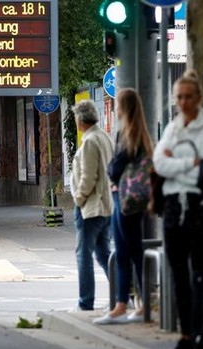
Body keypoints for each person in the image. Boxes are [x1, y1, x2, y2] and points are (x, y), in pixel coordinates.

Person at [153, 70, 203, 349]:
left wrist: (175, 162)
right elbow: (158, 164)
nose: (183, 102)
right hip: (172, 206)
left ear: (199, 98)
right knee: (179, 275)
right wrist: (188, 162)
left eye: (188, 96)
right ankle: (185, 335)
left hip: (197, 205)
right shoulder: (173, 127)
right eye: (179, 97)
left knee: (201, 273)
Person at [94, 88, 154, 325]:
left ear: (123, 107)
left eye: (117, 103)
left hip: (124, 199)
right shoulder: (141, 133)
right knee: (133, 251)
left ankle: (122, 305)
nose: (115, 107)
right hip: (133, 199)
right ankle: (139, 304)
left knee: (123, 251)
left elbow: (114, 168)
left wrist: (112, 175)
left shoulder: (128, 134)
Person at [70, 99, 114, 311]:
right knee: (104, 253)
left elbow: (89, 176)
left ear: (80, 119)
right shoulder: (104, 137)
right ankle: (126, 293)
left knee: (83, 255)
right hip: (106, 206)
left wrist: (78, 199)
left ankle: (85, 302)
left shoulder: (89, 141)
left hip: (90, 207)